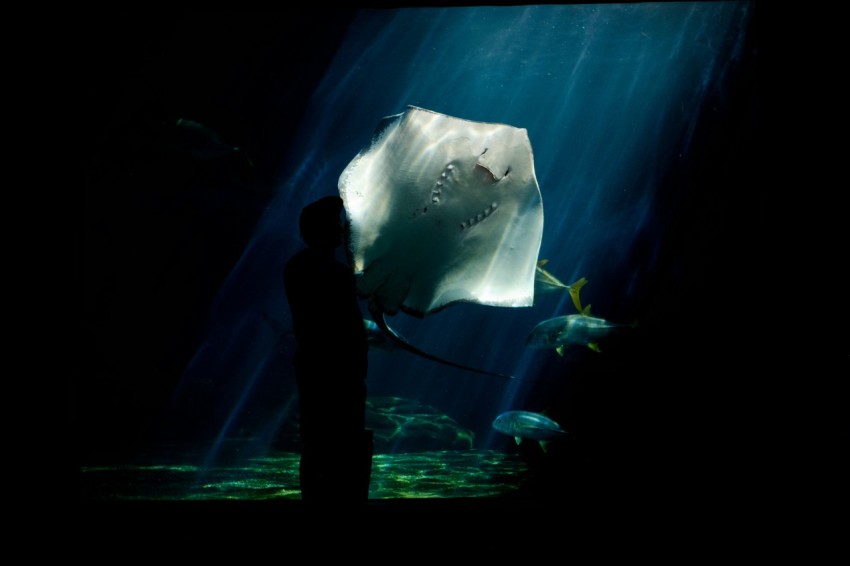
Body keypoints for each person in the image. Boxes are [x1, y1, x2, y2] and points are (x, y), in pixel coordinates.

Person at [283, 195, 372, 504]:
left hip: (318, 367)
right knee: (338, 443)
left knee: (319, 443)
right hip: (336, 371)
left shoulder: (299, 266)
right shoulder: (330, 272)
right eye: (336, 224)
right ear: (321, 230)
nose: (342, 229)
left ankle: (322, 502)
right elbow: (347, 318)